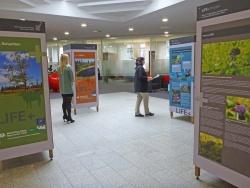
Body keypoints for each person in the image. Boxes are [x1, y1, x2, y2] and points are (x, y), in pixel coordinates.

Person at [58, 54, 75, 123]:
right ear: (66, 59)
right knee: (68, 103)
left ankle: (64, 115)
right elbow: (72, 79)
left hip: (62, 89)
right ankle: (69, 118)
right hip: (68, 89)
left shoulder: (59, 68)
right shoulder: (69, 67)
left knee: (64, 102)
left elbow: (59, 79)